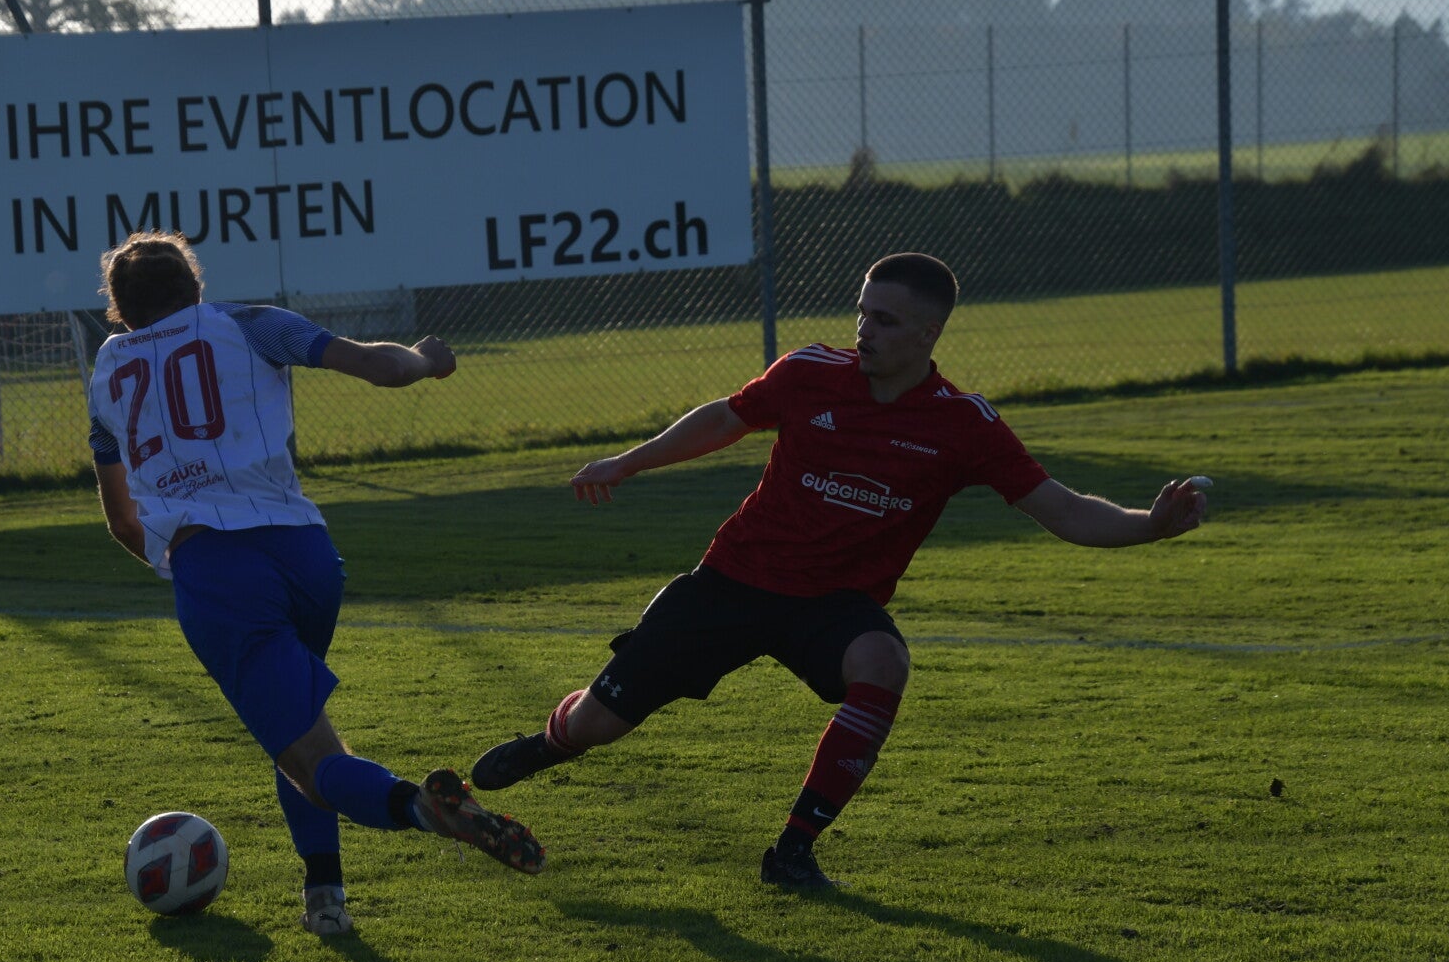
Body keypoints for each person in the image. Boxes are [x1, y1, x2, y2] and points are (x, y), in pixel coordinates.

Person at [471, 252, 1207, 889]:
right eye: (862, 313)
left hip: (831, 604)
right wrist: (628, 462)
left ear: (929, 333)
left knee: (883, 661)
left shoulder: (963, 425)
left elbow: (1064, 509)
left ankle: (793, 851)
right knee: (597, 726)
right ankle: (550, 743)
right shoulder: (810, 374)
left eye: (885, 320)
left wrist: (1150, 525)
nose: (865, 330)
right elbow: (724, 418)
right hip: (734, 581)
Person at [88, 231, 543, 936]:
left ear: (119, 310)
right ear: (196, 287)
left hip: (218, 572)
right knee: (296, 734)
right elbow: (379, 367)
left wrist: (183, 574)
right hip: (305, 554)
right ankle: (324, 897)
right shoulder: (250, 323)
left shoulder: (110, 369)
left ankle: (422, 808)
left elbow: (122, 518)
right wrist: (426, 358)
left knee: (310, 755)